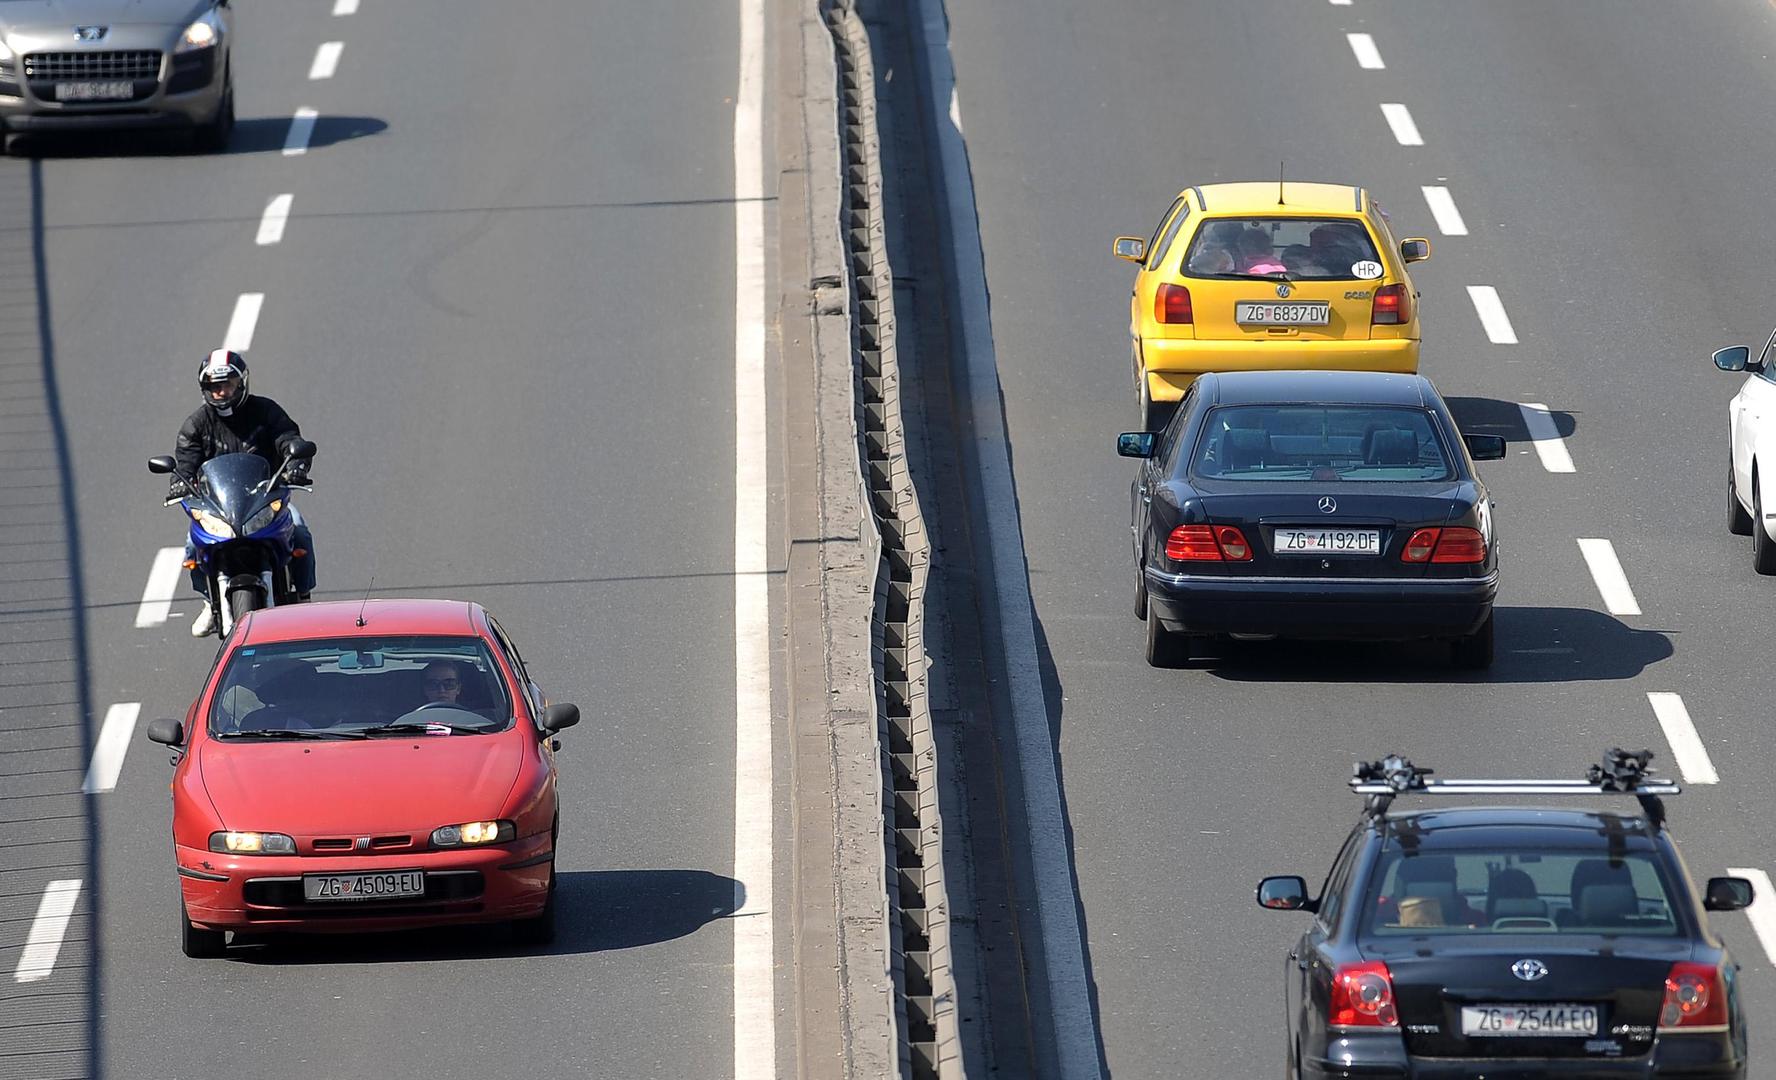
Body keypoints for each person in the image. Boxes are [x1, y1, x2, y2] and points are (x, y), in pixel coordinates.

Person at [173, 349, 317, 636]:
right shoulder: (197, 424)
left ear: (242, 383)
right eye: (214, 387)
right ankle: (209, 602)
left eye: (227, 385)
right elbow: (186, 460)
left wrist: (296, 465)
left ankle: (303, 599)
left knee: (300, 532)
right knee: (191, 544)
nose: (221, 392)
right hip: (219, 507)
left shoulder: (266, 411)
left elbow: (289, 439)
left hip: (265, 499)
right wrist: (179, 481)